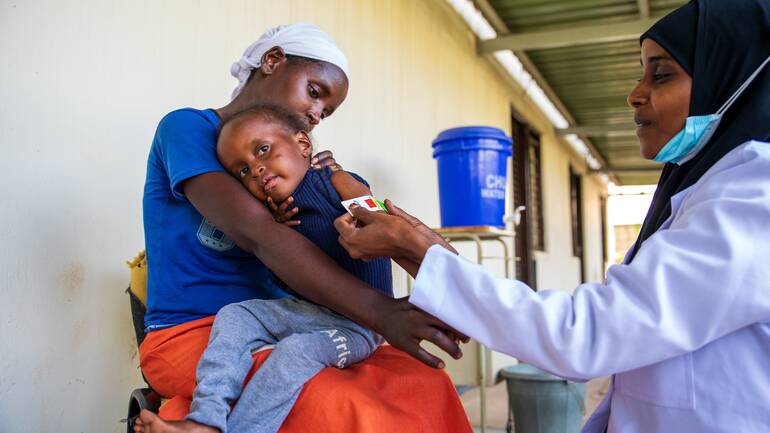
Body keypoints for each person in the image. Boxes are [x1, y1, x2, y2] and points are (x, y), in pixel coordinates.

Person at [334, 1, 770, 432]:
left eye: (660, 74)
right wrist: (419, 250)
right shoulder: (702, 190)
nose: (634, 93)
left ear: (733, 77)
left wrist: (416, 248)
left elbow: (586, 334)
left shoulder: (755, 196)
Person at [137, 23, 470, 432]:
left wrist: (339, 188)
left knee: (422, 382)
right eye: (315, 92)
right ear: (272, 61)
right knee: (336, 402)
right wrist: (383, 312)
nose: (316, 113)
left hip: (296, 320)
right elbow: (260, 235)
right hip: (197, 331)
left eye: (325, 112)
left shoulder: (297, 169)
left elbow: (371, 226)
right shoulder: (187, 129)